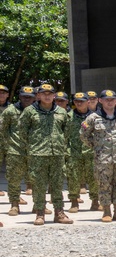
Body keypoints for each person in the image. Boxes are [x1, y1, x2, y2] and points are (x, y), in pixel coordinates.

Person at [19, 83, 72, 225]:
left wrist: (59, 143)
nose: (47, 96)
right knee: (39, 185)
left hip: (57, 154)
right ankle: (40, 213)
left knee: (57, 184)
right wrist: (33, 146)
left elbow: (66, 132)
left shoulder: (61, 112)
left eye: (50, 94)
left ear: (54, 96)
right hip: (38, 154)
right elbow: (22, 131)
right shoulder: (30, 111)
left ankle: (59, 213)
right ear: (38, 96)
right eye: (44, 94)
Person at [81, 89, 116, 222]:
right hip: (102, 159)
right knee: (104, 185)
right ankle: (106, 211)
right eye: (106, 100)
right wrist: (97, 147)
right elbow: (84, 135)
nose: (109, 102)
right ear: (100, 101)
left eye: (112, 100)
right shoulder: (93, 118)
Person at [3, 86, 35, 215]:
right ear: (19, 97)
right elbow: (3, 129)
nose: (27, 99)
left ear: (34, 98)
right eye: (24, 96)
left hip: (35, 151)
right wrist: (9, 145)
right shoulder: (10, 111)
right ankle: (14, 205)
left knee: (38, 180)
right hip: (15, 151)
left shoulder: (39, 111)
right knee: (14, 179)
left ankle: (39, 206)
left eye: (30, 97)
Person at [66, 92, 96, 213]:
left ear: (88, 102)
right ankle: (74, 202)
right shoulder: (68, 116)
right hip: (74, 152)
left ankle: (95, 202)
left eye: (82, 101)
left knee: (94, 177)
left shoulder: (95, 117)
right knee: (73, 177)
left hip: (91, 152)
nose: (79, 103)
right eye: (77, 101)